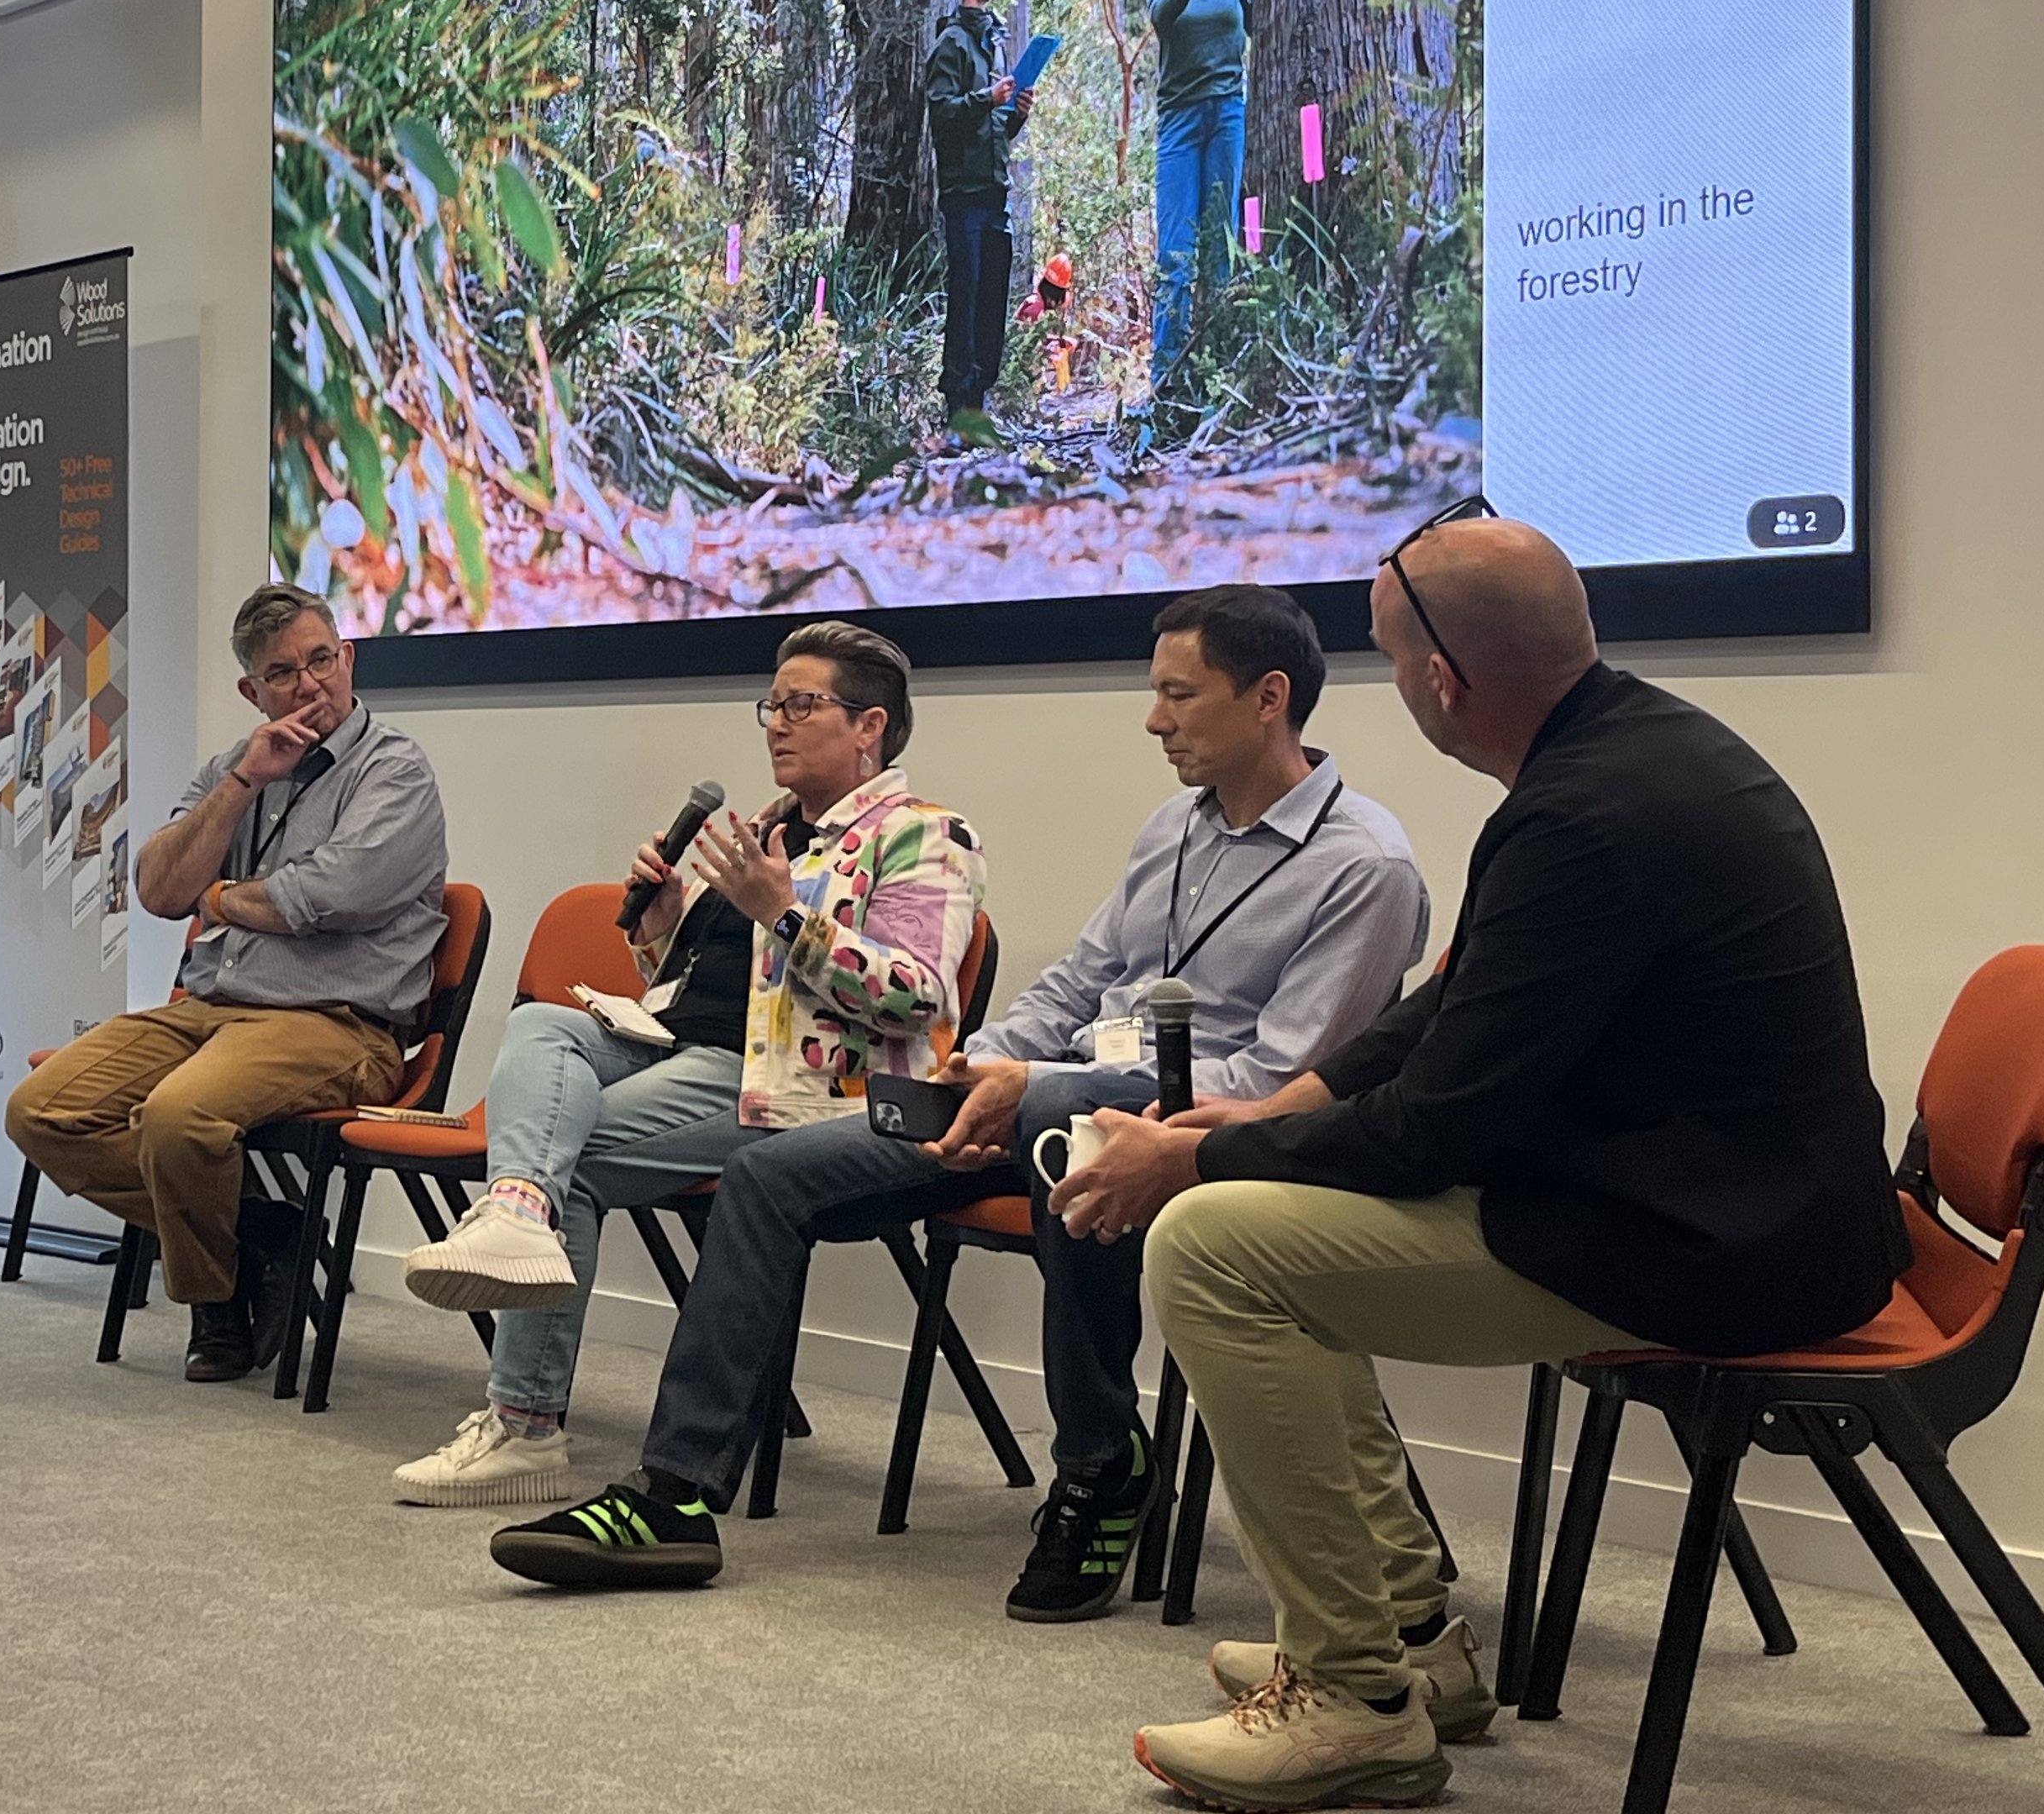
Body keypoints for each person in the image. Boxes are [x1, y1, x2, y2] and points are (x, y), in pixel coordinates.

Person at [1054, 511, 1905, 1814]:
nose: (1399, 687)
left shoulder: (1581, 821)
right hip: (1727, 1200)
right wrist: (1274, 1111)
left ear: (1442, 679)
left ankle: (1353, 1700)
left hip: (1709, 1246)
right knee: (1274, 1201)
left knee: (1216, 1250)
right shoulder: (1633, 752)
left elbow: (1432, 1131)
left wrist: (1194, 1167)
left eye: (1396, 662)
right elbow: (1451, 1001)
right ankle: (1407, 1643)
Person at [486, 587, 1428, 1607]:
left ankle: (1101, 1466)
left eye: (1177, 695)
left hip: (1180, 1126)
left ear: (1268, 699)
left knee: (1072, 1133)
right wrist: (976, 1070)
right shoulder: (1175, 829)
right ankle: (673, 1496)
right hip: (1038, 1099)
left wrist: (1034, 1087)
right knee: (763, 1173)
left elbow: (1280, 1084)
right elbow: (1077, 982)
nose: (1154, 719)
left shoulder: (1362, 868)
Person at [386, 622, 983, 1506]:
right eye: (771, 705)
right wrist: (664, 921)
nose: (776, 723)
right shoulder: (769, 830)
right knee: (547, 1024)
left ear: (870, 726)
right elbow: (700, 987)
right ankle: (515, 1209)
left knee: (573, 1166)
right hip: (683, 1048)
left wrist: (786, 915)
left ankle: (525, 1426)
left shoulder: (924, 836)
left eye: (800, 704)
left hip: (801, 1086)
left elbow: (918, 995)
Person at [5, 584, 447, 1386]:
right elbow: (156, 887)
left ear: (348, 659)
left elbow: (324, 896)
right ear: (253, 691)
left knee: (178, 1117)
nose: (311, 685)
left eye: (322, 661)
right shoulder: (231, 770)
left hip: (338, 1026)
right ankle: (261, 1235)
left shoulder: (396, 771)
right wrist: (243, 781)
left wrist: (218, 900)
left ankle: (215, 1302)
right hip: (213, 1009)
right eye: (284, 673)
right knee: (42, 1111)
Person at [925, 0, 1036, 443]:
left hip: (995, 192)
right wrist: (986, 100)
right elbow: (943, 116)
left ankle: (980, 406)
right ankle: (957, 414)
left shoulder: (995, 40)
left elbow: (992, 126)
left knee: (993, 298)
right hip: (963, 197)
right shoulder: (951, 43)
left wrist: (1013, 115)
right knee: (965, 299)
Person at [1147, 0, 1254, 391]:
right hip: (1180, 125)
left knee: (1221, 246)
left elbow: (1264, 28)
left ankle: (1221, 367)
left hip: (1228, 115)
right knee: (1175, 251)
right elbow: (1163, 20)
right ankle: (1166, 378)